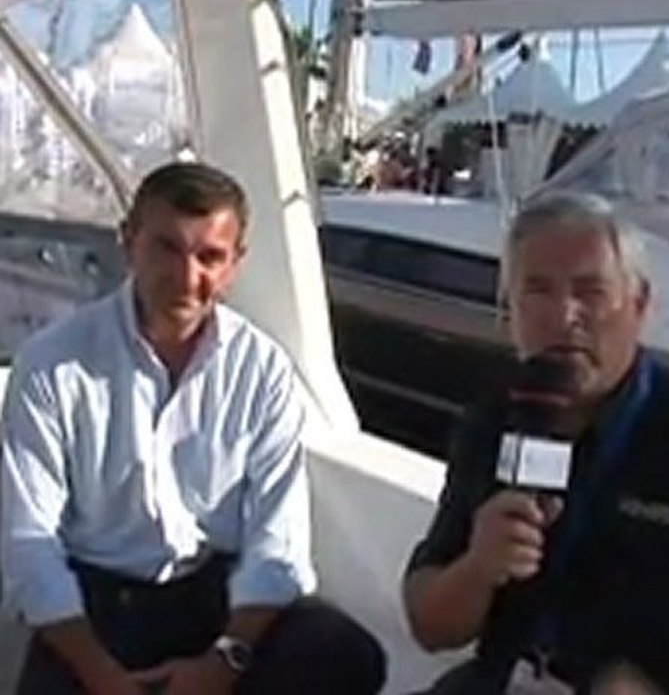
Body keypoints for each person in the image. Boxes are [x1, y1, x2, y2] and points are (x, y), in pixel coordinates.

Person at [403, 192, 669, 694]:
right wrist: (478, 567)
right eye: (538, 290)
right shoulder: (496, 415)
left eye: (590, 291)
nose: (564, 314)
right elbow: (430, 627)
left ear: (639, 305)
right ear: (511, 308)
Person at [1, 162, 385, 695]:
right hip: (97, 608)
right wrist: (103, 678)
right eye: (167, 248)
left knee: (343, 654)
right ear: (128, 242)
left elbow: (279, 546)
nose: (187, 277)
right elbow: (28, 548)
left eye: (209, 256)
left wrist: (223, 662)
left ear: (234, 265)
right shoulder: (51, 364)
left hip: (213, 599)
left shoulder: (263, 371)